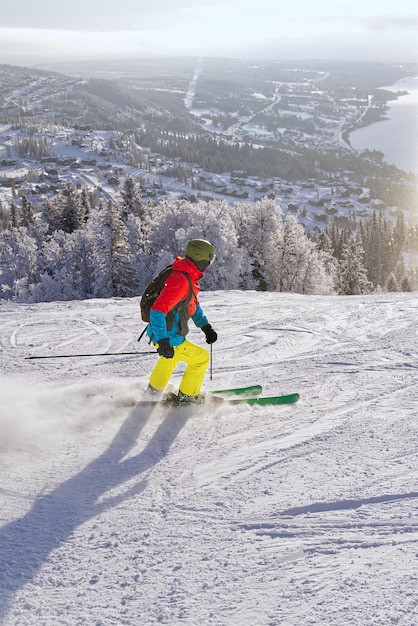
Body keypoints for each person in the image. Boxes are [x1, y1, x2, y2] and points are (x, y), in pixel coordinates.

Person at [146, 239, 218, 404]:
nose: (209, 265)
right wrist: (164, 341)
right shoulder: (181, 280)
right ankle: (187, 397)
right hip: (169, 335)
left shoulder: (186, 276)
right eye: (209, 260)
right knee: (201, 358)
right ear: (200, 259)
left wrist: (205, 327)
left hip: (162, 333)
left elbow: (192, 305)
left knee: (169, 359)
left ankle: (152, 393)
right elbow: (157, 310)